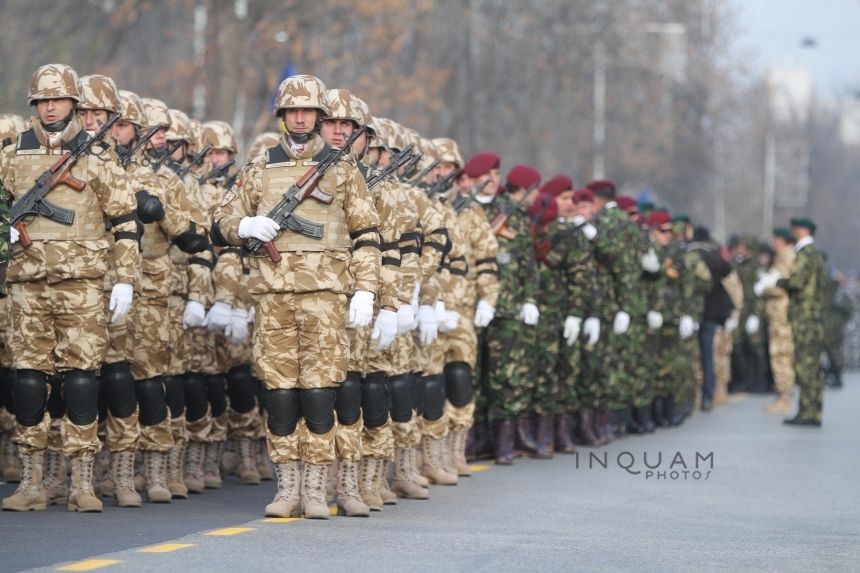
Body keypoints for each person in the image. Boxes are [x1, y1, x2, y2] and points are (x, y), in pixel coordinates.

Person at [211, 75, 381, 519]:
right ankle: (286, 485)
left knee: (320, 395)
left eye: (308, 111)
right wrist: (244, 227)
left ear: (319, 117)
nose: (301, 118)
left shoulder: (344, 171)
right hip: (274, 297)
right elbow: (221, 218)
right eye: (293, 111)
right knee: (282, 394)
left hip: (326, 298)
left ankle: (315, 488)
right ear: (282, 117)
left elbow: (366, 235)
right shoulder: (259, 167)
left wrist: (366, 288)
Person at [1, 64, 140, 513]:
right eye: (43, 101)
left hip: (82, 285)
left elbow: (125, 224)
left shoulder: (98, 158)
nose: (50, 107)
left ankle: (82, 481)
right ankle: (31, 481)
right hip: (26, 282)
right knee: (28, 381)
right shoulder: (11, 155)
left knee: (81, 381)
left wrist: (124, 280)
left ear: (74, 104)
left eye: (58, 99)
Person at [477, 165, 541, 464]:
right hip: (474, 304)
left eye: (495, 175)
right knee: (474, 374)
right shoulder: (468, 208)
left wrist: (529, 298)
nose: (492, 181)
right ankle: (476, 438)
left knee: (507, 376)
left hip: (509, 306)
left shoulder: (513, 212)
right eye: (485, 176)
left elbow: (528, 261)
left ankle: (504, 441)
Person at [766, 218, 827, 426]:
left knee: (805, 366)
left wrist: (777, 281)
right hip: (813, 318)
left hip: (804, 319)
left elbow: (796, 282)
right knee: (812, 367)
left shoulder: (805, 253)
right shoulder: (815, 253)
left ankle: (808, 412)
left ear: (800, 231)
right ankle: (813, 411)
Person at [686, 227, 733, 412]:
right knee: (707, 356)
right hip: (710, 314)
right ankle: (707, 396)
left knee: (690, 356)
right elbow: (727, 270)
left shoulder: (688, 254)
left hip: (689, 312)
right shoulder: (713, 256)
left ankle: (690, 397)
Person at [755, 227, 795, 414]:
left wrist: (766, 287)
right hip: (777, 316)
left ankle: (784, 398)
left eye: (774, 240)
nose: (772, 244)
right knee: (778, 355)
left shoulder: (787, 258)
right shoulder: (781, 258)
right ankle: (781, 395)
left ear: (781, 240)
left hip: (782, 316)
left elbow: (783, 286)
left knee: (781, 355)